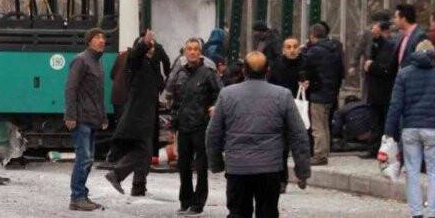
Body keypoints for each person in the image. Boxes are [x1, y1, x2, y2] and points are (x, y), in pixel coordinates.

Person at [207, 51, 311, 218]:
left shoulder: (227, 94)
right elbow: (299, 136)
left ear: (244, 71)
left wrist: (216, 163)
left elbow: (213, 133)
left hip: (238, 167)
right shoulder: (282, 95)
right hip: (270, 167)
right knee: (268, 212)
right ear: (268, 70)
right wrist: (302, 170)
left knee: (238, 212)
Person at [384, 40, 435, 218]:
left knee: (412, 171)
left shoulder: (404, 74)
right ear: (432, 53)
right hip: (434, 128)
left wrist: (389, 132)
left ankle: (416, 212)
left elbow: (395, 105)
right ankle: (434, 213)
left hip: (410, 128)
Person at [105, 29, 169, 197]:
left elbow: (159, 81)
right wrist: (144, 43)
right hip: (137, 115)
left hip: (148, 114)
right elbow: (135, 56)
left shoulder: (151, 63)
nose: (152, 49)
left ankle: (137, 186)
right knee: (143, 151)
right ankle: (117, 174)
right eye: (150, 46)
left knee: (145, 152)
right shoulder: (135, 61)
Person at [167, 38, 221, 215]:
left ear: (200, 52)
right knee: (183, 166)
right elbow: (174, 100)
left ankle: (198, 203)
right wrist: (172, 122)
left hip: (201, 126)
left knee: (201, 167)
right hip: (183, 126)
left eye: (195, 49)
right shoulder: (180, 73)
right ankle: (185, 200)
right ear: (184, 52)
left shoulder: (208, 73)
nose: (192, 52)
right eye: (189, 49)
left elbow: (220, 94)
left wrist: (214, 107)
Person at [63, 28, 109, 211]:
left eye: (103, 37)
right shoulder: (81, 60)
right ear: (89, 41)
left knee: (88, 159)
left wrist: (103, 117)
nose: (101, 40)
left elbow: (98, 94)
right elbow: (70, 88)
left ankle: (82, 194)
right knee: (84, 158)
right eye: (97, 37)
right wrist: (70, 115)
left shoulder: (98, 63)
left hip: (92, 117)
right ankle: (76, 197)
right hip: (81, 117)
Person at [301, 23, 344, 165]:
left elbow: (304, 65)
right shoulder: (335, 49)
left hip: (318, 92)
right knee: (325, 124)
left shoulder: (314, 51)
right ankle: (325, 151)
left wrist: (304, 49)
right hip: (331, 92)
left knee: (318, 126)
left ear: (313, 35)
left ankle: (319, 155)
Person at [267, 36, 307, 191]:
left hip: (300, 108)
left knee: (301, 145)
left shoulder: (306, 63)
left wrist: (308, 84)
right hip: (281, 110)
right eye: (288, 47)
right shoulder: (277, 64)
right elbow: (270, 85)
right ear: (283, 49)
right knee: (282, 147)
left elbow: (318, 81)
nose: (292, 50)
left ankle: (302, 174)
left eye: (295, 46)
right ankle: (282, 180)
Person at [362, 20, 398, 158]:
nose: (372, 30)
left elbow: (388, 69)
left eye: (375, 27)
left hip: (384, 91)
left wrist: (372, 66)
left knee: (382, 121)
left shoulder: (389, 47)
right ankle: (374, 148)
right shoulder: (375, 45)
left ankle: (382, 149)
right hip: (375, 90)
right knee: (375, 122)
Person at [348, 11, 391, 97]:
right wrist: (353, 65)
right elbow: (359, 48)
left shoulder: (391, 35)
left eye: (376, 23)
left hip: (384, 69)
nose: (373, 26)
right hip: (369, 69)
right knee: (367, 93)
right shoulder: (368, 33)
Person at [394, 4, 428, 68]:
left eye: (396, 17)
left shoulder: (420, 36)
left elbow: (422, 62)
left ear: (403, 19)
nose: (394, 20)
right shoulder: (401, 36)